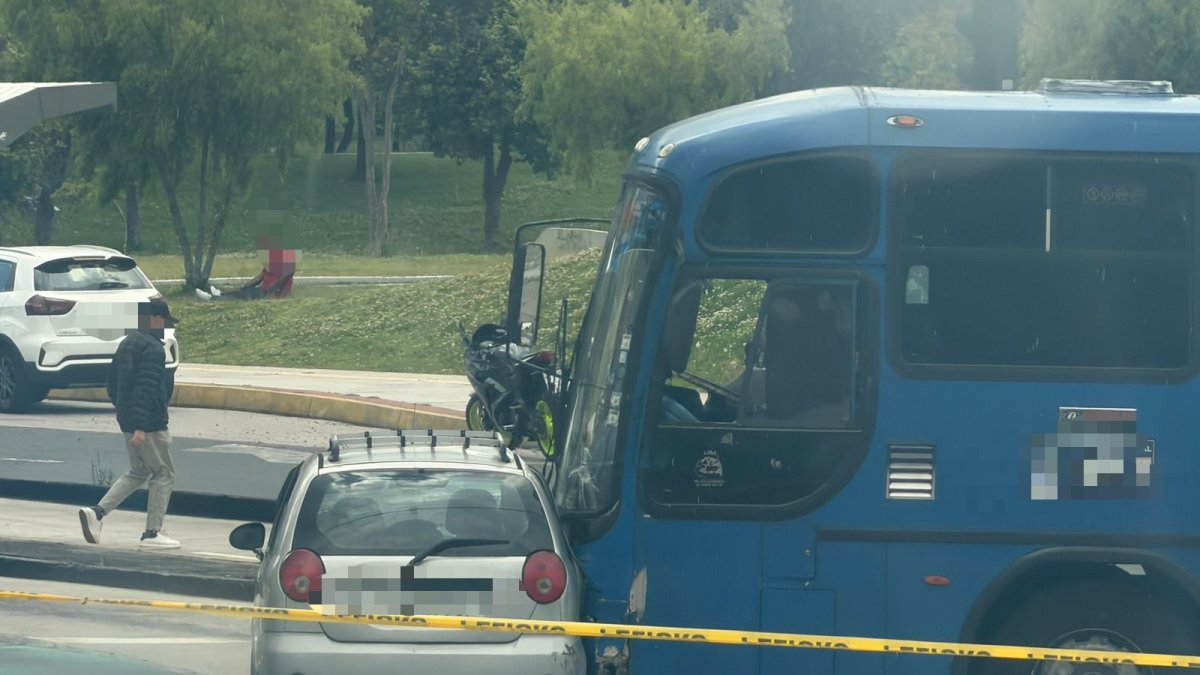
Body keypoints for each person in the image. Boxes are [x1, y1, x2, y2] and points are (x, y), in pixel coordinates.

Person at [78, 300, 180, 550]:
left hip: (128, 419)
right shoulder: (153, 349)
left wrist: (126, 417)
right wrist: (141, 426)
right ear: (155, 320)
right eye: (165, 321)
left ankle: (97, 513)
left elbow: (112, 385)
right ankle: (153, 533)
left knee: (139, 471)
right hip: (149, 424)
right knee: (163, 473)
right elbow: (147, 388)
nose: (167, 327)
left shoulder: (127, 344)